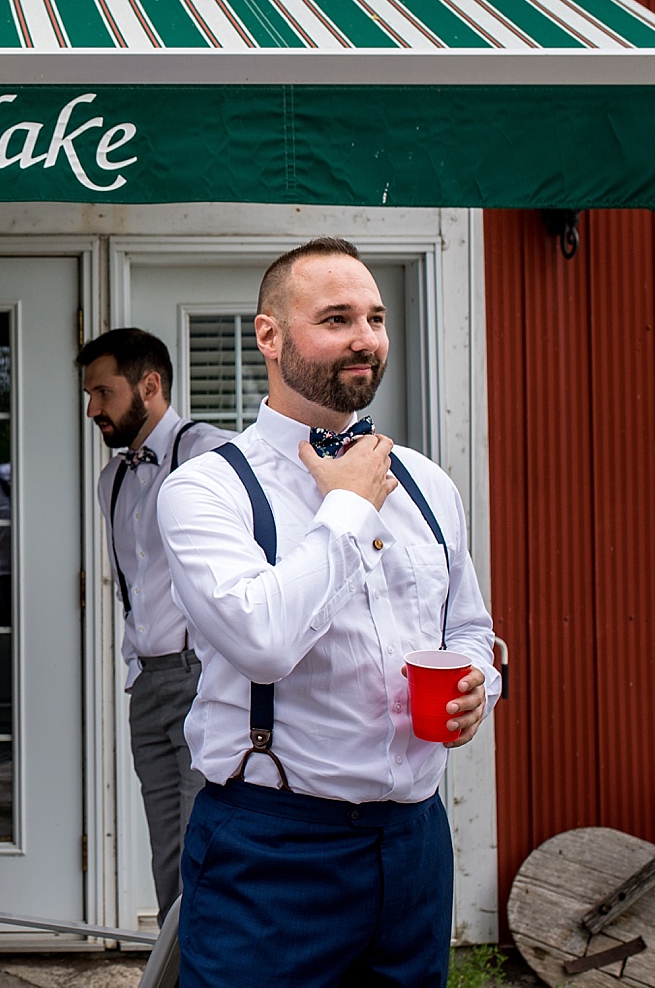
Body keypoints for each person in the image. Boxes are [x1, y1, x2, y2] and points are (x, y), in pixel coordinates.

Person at [158, 238, 498, 986]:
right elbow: (263, 642)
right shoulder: (206, 489)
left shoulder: (428, 483)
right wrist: (346, 505)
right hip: (274, 847)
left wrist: (478, 680)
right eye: (337, 318)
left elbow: (469, 628)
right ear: (269, 336)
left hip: (413, 841)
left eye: (374, 318)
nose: (365, 338)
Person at [76, 328, 232, 922]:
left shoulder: (208, 454)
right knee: (167, 853)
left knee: (205, 846)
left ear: (151, 385)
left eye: (103, 392)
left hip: (204, 679)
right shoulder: (111, 479)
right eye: (88, 395)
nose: (93, 409)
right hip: (148, 683)